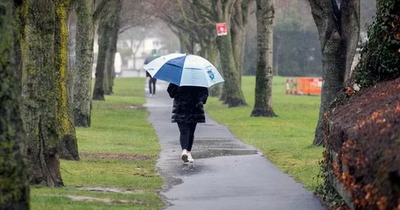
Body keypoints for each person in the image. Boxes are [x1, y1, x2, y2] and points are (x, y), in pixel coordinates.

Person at [167, 83, 209, 163]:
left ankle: (188, 152)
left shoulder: (199, 80)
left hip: (195, 109)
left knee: (191, 132)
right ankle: (184, 151)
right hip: (181, 109)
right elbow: (171, 92)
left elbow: (205, 94)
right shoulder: (178, 79)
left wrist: (199, 100)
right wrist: (178, 90)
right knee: (184, 131)